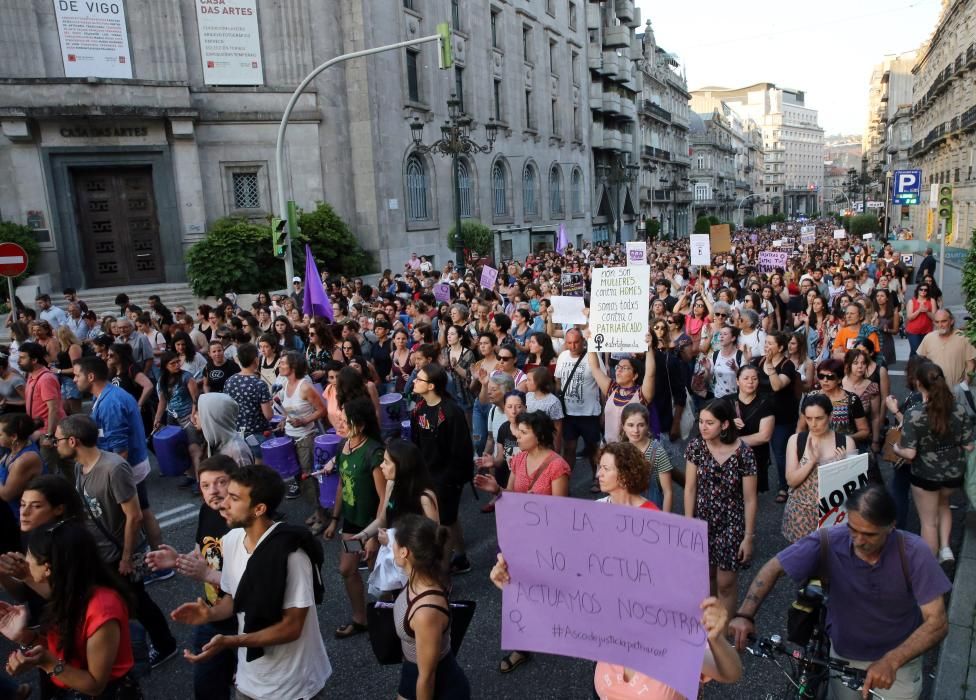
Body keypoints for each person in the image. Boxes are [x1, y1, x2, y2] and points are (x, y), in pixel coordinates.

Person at [730, 485, 951, 700]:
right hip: (843, 658)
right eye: (853, 529)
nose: (858, 540)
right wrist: (744, 615)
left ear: (891, 526)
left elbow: (937, 622)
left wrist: (892, 661)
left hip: (899, 664)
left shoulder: (914, 552)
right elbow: (774, 567)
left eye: (869, 534)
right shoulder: (829, 540)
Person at [171, 464, 331, 700]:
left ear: (259, 508)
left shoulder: (292, 555)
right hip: (250, 682)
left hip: (292, 686)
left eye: (234, 498)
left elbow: (292, 627)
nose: (223, 504)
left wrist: (231, 641)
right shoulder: (232, 539)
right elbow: (233, 598)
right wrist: (211, 615)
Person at [55, 414, 178, 669]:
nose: (53, 444)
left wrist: (126, 557)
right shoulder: (80, 466)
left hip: (120, 554)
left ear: (73, 440)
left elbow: (134, 516)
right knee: (114, 601)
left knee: (138, 601)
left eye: (56, 439)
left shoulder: (113, 468)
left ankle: (165, 645)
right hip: (99, 553)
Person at [474, 410, 571, 673]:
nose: (517, 435)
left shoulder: (557, 465)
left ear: (539, 436)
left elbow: (560, 512)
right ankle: (522, 646)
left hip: (546, 542)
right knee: (515, 590)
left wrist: (529, 502)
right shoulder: (517, 460)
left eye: (524, 432)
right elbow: (511, 497)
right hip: (519, 538)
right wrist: (497, 491)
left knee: (540, 589)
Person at [0, 520, 141, 697]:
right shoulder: (72, 589)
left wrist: (46, 662)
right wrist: (24, 636)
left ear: (47, 568)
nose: (24, 560)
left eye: (28, 555)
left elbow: (94, 685)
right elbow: (66, 649)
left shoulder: (103, 610)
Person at [147, 456, 238, 700]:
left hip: (246, 621)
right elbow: (202, 553)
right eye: (205, 485)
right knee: (207, 686)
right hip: (212, 613)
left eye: (221, 482)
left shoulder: (245, 524)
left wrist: (207, 574)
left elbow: (255, 582)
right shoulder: (207, 512)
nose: (213, 491)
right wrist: (177, 560)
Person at [892, 362, 976, 562]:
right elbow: (969, 446)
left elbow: (910, 453)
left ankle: (930, 565)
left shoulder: (915, 414)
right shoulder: (958, 409)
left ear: (918, 383)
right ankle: (946, 548)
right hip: (954, 473)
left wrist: (896, 448)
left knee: (928, 522)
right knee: (944, 504)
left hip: (925, 475)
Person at [683, 398, 758, 619]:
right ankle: (708, 630)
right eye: (701, 421)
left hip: (731, 525)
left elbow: (750, 499)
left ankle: (723, 638)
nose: (702, 427)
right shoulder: (696, 447)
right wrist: (689, 524)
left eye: (709, 423)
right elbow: (689, 489)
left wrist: (748, 537)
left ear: (725, 425)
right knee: (706, 580)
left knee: (726, 583)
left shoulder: (743, 453)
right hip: (701, 522)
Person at [322, 396, 386, 638]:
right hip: (352, 522)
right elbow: (341, 484)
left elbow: (383, 498)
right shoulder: (344, 447)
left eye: (344, 419)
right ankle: (361, 619)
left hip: (372, 523)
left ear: (359, 424)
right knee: (347, 569)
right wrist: (334, 520)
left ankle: (390, 617)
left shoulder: (374, 452)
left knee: (378, 572)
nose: (339, 421)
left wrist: (372, 536)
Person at [391, 514, 470, 700]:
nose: (390, 548)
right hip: (412, 674)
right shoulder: (415, 577)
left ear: (405, 552)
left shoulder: (426, 612)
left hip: (438, 687)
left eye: (393, 543)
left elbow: (427, 678)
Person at [410, 363, 474, 575]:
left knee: (443, 525)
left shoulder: (451, 412)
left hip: (447, 477)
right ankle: (462, 557)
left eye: (419, 379)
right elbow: (416, 443)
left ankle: (443, 577)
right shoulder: (418, 409)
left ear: (431, 386)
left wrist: (451, 479)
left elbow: (461, 449)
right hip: (427, 474)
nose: (414, 381)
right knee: (450, 518)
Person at [782, 394, 857, 543]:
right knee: (801, 561)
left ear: (830, 416)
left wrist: (840, 467)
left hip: (833, 514)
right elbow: (791, 481)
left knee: (832, 561)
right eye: (809, 418)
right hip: (800, 514)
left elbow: (853, 488)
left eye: (819, 418)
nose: (813, 424)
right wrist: (811, 461)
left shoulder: (846, 442)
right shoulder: (796, 440)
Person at [276, 351, 329, 501]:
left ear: (293, 366)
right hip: (290, 436)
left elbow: (322, 410)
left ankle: (320, 511)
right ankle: (313, 507)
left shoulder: (305, 387)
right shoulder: (285, 384)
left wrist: (304, 421)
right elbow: (289, 410)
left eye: (283, 363)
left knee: (309, 475)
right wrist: (284, 420)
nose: (280, 365)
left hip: (305, 439)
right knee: (297, 474)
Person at [752, 331, 798, 504]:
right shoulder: (758, 361)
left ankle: (784, 486)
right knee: (757, 451)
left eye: (770, 343)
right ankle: (755, 485)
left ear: (780, 347)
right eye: (766, 343)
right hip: (761, 415)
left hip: (783, 416)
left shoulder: (787, 365)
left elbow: (777, 386)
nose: (766, 346)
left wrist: (770, 365)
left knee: (780, 452)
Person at [554, 329, 602, 478]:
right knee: (569, 448)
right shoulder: (562, 356)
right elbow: (558, 380)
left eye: (576, 342)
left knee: (593, 449)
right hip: (569, 413)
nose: (573, 346)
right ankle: (565, 480)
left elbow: (603, 384)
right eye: (569, 343)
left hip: (589, 414)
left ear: (583, 341)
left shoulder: (593, 356)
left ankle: (597, 478)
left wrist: (605, 411)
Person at [154, 350, 205, 486]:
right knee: (181, 449)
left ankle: (200, 482)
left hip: (187, 416)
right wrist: (158, 418)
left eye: (178, 362)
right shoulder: (162, 381)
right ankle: (190, 476)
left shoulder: (186, 377)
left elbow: (196, 398)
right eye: (173, 363)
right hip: (172, 417)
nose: (177, 365)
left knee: (194, 449)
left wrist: (193, 414)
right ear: (165, 365)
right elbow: (162, 401)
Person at [19, 342, 68, 479]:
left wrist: (49, 435)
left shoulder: (46, 378)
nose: (19, 361)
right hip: (40, 430)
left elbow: (53, 409)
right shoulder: (31, 375)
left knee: (49, 471)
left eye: (23, 358)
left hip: (49, 431)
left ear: (34, 360)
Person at [618, 404, 673, 511]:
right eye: (630, 425)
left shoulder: (658, 452)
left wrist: (666, 520)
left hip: (651, 509)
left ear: (648, 425)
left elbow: (668, 492)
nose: (635, 430)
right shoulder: (620, 450)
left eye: (641, 425)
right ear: (623, 426)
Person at [0, 414, 43, 550]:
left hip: (29, 521)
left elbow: (7, 494)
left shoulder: (25, 459)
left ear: (14, 437)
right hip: (13, 516)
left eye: (0, 434)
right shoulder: (11, 450)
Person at [224, 343, 273, 459]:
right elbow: (269, 415)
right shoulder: (259, 384)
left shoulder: (230, 381)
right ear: (256, 360)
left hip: (237, 434)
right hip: (259, 433)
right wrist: (269, 404)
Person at [917, 309, 976, 386]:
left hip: (956, 390)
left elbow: (971, 363)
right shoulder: (928, 338)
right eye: (937, 322)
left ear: (951, 321)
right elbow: (920, 362)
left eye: (944, 321)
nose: (940, 325)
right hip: (934, 389)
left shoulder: (963, 338)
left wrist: (965, 383)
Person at [197, 393, 255, 467]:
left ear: (214, 418)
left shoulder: (237, 453)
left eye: (199, 412)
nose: (194, 416)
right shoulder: (214, 442)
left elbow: (245, 478)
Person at [904, 284, 936, 358]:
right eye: (921, 289)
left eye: (925, 290)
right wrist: (919, 310)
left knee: (924, 352)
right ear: (917, 290)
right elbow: (909, 317)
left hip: (927, 331)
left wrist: (927, 311)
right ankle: (913, 368)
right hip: (913, 331)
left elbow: (934, 317)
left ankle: (913, 367)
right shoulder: (911, 301)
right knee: (917, 351)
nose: (923, 291)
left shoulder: (931, 301)